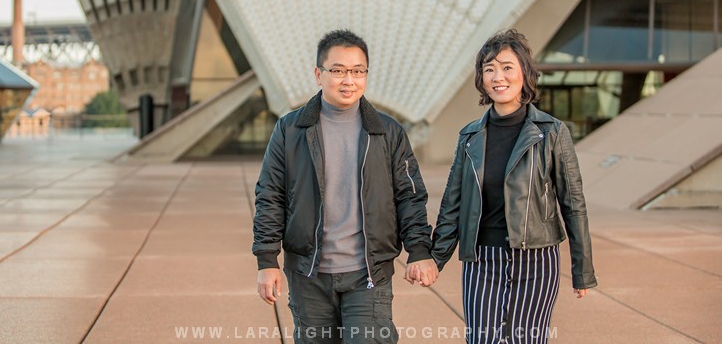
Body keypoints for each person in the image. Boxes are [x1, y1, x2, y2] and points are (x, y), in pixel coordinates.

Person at [253, 29, 439, 344]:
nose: (348, 80)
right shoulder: (290, 130)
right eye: (338, 71)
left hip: (368, 272)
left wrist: (419, 250)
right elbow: (270, 195)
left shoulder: (387, 132)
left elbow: (410, 197)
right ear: (318, 74)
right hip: (308, 274)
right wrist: (267, 260)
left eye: (357, 71)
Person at [416, 29, 597, 344]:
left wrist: (582, 269)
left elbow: (573, 203)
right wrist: (436, 258)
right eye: (489, 69)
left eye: (507, 67)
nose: (497, 76)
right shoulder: (470, 136)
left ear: (524, 73)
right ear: (482, 79)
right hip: (482, 260)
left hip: (536, 260)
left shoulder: (552, 132)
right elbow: (452, 204)